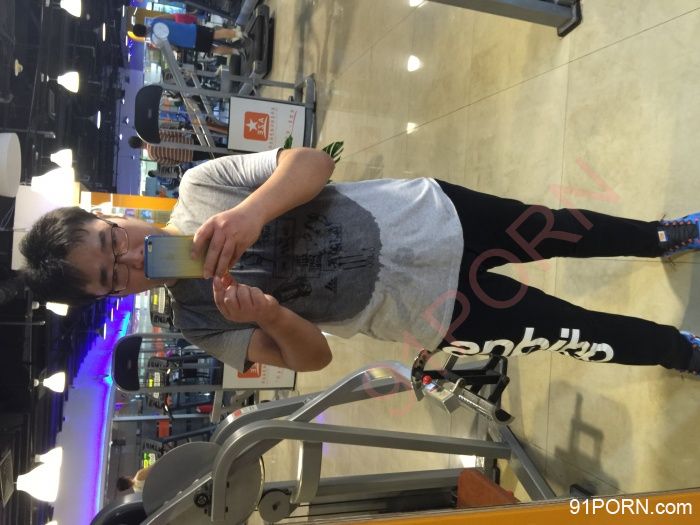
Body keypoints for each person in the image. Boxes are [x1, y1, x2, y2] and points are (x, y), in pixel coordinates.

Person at [18, 148, 700, 375]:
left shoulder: (203, 188)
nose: (131, 258)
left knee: (561, 230)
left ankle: (661, 236)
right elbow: (313, 359)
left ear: (113, 216)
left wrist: (252, 212)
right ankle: (680, 351)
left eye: (113, 239)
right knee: (569, 332)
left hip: (431, 214)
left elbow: (313, 162)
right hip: (432, 313)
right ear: (114, 296)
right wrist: (271, 314)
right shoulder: (198, 319)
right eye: (114, 275)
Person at [132, 20, 244, 57]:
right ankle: (239, 34)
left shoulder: (155, 41)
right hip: (192, 29)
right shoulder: (156, 21)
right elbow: (173, 19)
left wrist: (177, 50)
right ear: (142, 25)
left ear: (142, 36)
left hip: (190, 43)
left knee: (213, 49)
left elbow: (173, 48)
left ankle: (237, 51)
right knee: (216, 34)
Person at [129, 132, 214, 167]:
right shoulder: (154, 136)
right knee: (213, 146)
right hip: (188, 143)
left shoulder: (152, 156)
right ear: (139, 137)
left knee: (211, 156)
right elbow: (174, 133)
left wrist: (179, 160)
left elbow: (170, 162)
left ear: (138, 148)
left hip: (187, 156)